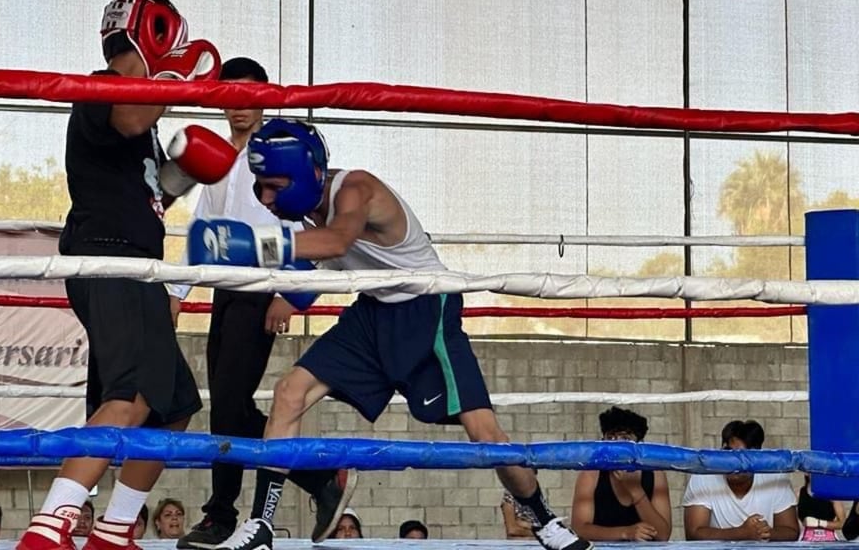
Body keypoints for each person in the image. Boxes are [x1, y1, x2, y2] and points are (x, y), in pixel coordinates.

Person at [189, 118, 593, 550]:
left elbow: (338, 242)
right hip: (372, 314)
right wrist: (289, 296)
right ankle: (261, 525)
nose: (265, 198)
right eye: (259, 187)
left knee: (484, 432)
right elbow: (318, 258)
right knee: (289, 392)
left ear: (307, 174)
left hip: (427, 307)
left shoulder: (356, 189)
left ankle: (544, 518)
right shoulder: (310, 213)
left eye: (273, 186)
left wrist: (254, 244)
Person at [16, 0, 235, 550]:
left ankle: (113, 531)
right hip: (107, 254)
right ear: (156, 39)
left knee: (173, 405)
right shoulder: (98, 89)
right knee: (128, 393)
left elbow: (155, 192)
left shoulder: (141, 114)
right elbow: (133, 120)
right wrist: (176, 82)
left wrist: (189, 170)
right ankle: (47, 532)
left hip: (139, 264)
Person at [176, 58, 341, 550]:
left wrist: (289, 294)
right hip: (226, 290)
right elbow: (203, 232)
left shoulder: (281, 150)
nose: (239, 107)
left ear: (266, 97)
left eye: (248, 96)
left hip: (263, 289)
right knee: (225, 408)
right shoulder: (216, 158)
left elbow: (308, 227)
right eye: (230, 96)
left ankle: (224, 515)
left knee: (229, 405)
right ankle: (318, 476)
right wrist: (178, 292)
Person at [682, 419, 798, 541]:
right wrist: (742, 533)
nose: (733, 463)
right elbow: (693, 533)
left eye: (742, 457)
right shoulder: (704, 477)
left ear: (756, 458)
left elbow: (791, 531)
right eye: (728, 454)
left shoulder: (775, 477)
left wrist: (764, 532)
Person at [570, 407, 671, 542]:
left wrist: (635, 490)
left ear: (638, 444)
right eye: (611, 438)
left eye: (625, 438)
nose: (616, 444)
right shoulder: (591, 474)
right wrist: (626, 532)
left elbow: (662, 535)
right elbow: (579, 529)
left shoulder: (655, 474)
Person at [797, 473, 846, 541]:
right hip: (805, 538)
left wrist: (819, 523)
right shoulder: (801, 492)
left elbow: (842, 523)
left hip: (829, 539)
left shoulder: (832, 492)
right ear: (806, 473)